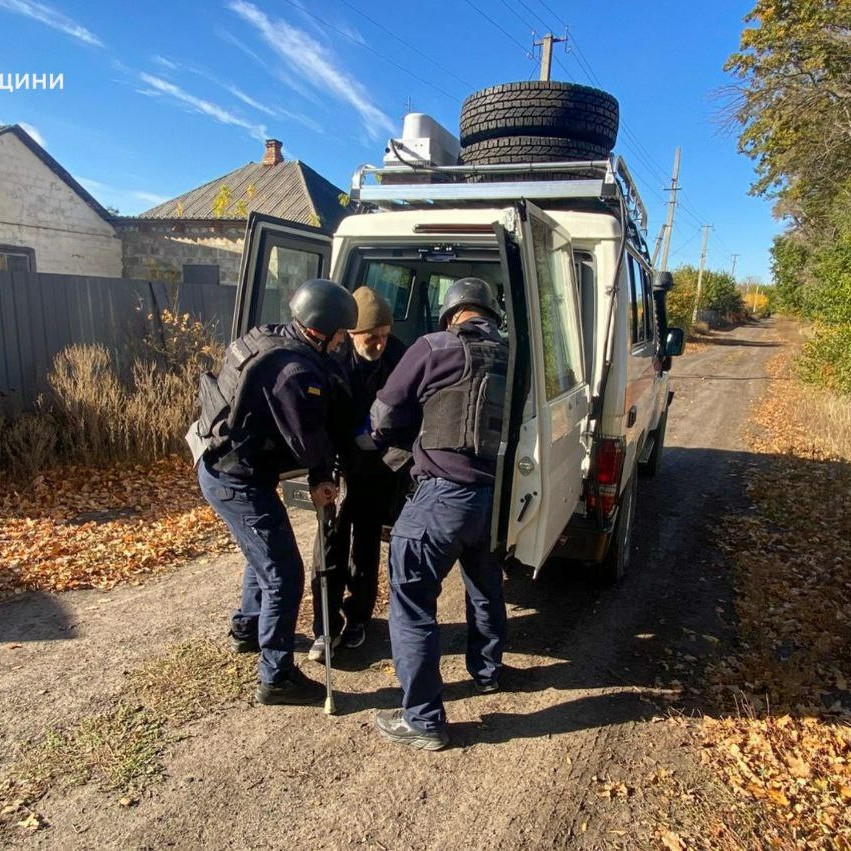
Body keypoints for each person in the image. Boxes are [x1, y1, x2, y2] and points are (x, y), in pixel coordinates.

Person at [196, 278, 358, 706]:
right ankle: (276, 677)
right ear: (320, 330)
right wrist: (323, 477)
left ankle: (247, 629)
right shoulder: (294, 374)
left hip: (227, 466)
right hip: (237, 481)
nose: (343, 341)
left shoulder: (271, 337)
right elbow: (307, 440)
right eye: (341, 333)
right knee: (284, 574)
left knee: (264, 555)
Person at [369, 278, 509, 750]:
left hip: (441, 499)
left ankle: (424, 720)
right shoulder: (515, 357)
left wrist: (390, 444)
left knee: (412, 606)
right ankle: (487, 673)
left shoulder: (433, 346)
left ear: (451, 314)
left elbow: (384, 415)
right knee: (486, 588)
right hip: (495, 500)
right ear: (491, 314)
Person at [308, 287, 407, 662]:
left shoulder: (398, 355)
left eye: (384, 335)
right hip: (335, 462)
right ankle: (325, 627)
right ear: (351, 334)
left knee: (365, 543)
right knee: (329, 543)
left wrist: (393, 457)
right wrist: (324, 468)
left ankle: (359, 617)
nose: (379, 344)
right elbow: (315, 418)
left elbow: (410, 410)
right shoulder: (331, 359)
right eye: (371, 337)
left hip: (377, 466)